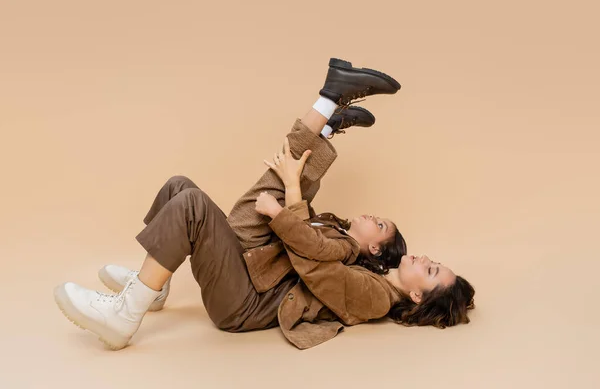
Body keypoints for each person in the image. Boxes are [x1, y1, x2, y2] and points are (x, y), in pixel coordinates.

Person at [54, 58, 475, 350]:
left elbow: (313, 262)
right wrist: (293, 194)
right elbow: (312, 239)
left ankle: (125, 316)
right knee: (179, 187)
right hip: (257, 270)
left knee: (194, 206)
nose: (424, 259)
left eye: (431, 269)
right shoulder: (374, 274)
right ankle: (153, 285)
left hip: (246, 303)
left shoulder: (377, 297)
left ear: (419, 296)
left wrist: (287, 203)